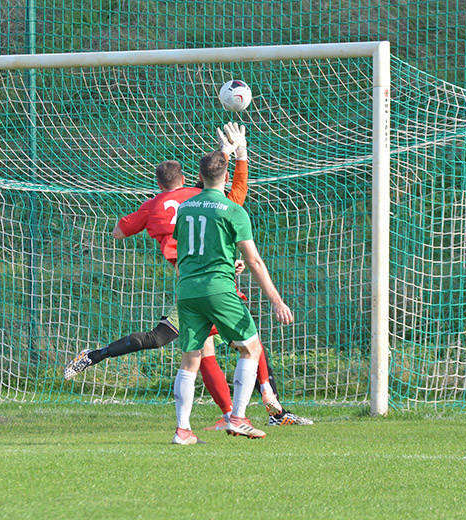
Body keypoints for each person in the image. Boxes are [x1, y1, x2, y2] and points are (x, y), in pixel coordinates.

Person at [64, 124, 312, 426]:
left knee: (198, 346)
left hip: (189, 282)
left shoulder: (157, 206)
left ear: (159, 184)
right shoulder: (200, 196)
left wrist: (150, 216)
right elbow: (233, 192)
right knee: (245, 341)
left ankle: (227, 416)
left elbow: (118, 232)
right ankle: (256, 409)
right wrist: (235, 152)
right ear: (183, 180)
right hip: (214, 281)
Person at [172, 150, 294, 443]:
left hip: (187, 290)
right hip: (219, 289)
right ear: (226, 178)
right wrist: (276, 299)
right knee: (251, 349)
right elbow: (254, 261)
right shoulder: (233, 210)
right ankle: (238, 418)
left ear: (199, 178)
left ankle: (182, 430)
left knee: (191, 359)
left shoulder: (185, 208)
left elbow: (191, 248)